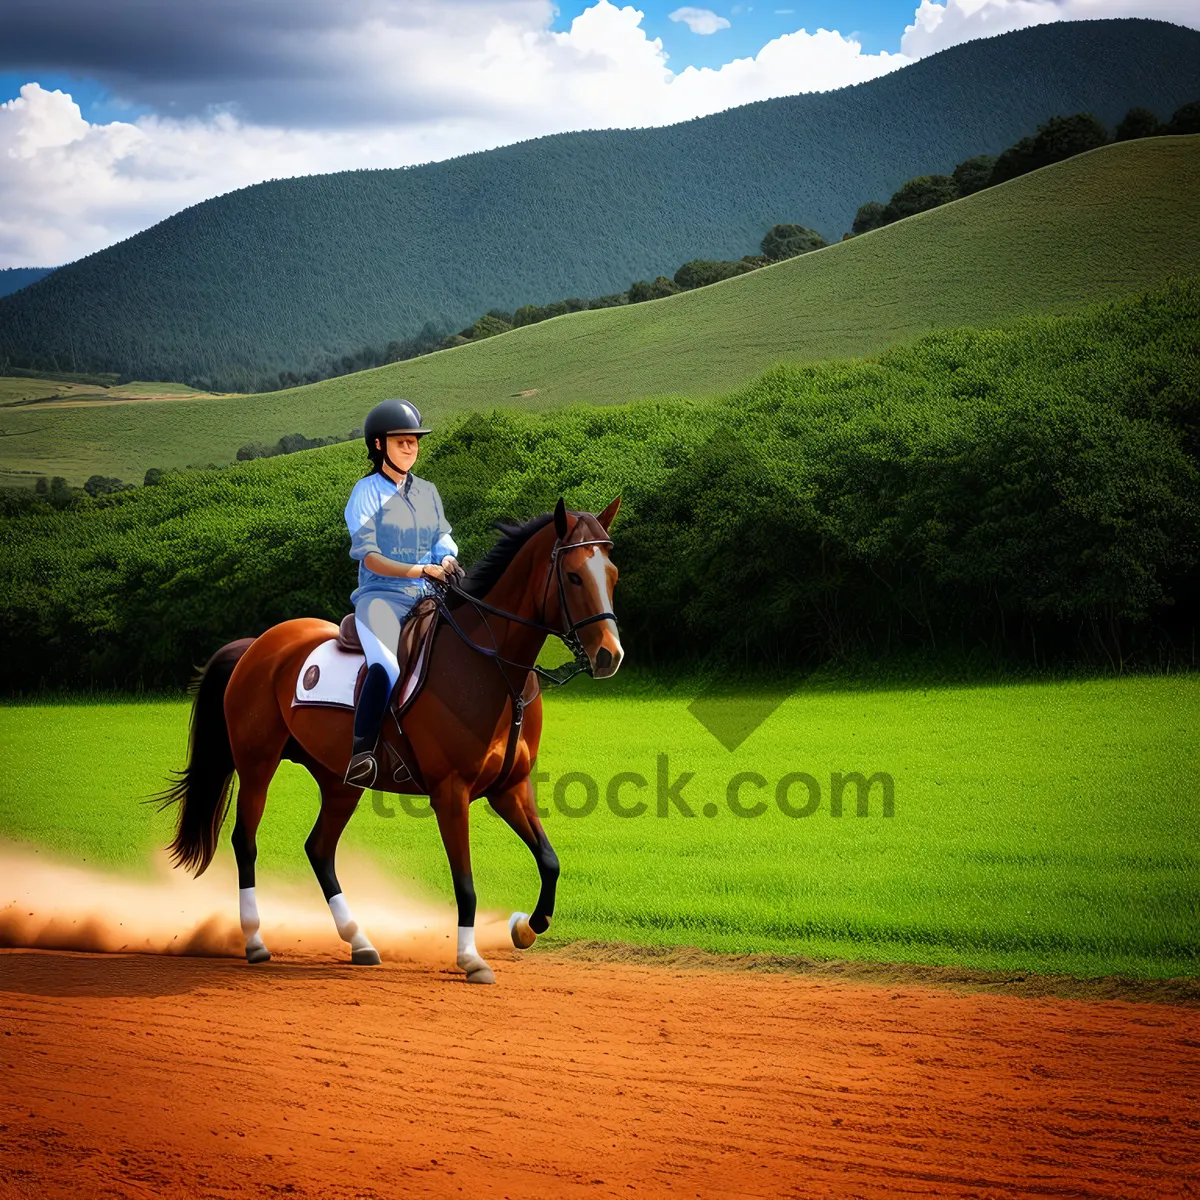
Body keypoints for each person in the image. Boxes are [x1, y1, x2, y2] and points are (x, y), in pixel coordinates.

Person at [342, 398, 461, 787]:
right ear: (379, 446)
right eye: (401, 441)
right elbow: (371, 558)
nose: (411, 447)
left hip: (429, 594)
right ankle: (362, 754)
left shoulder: (427, 491)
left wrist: (445, 561)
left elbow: (443, 538)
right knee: (389, 667)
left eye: (414, 441)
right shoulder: (366, 493)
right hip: (381, 598)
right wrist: (420, 568)